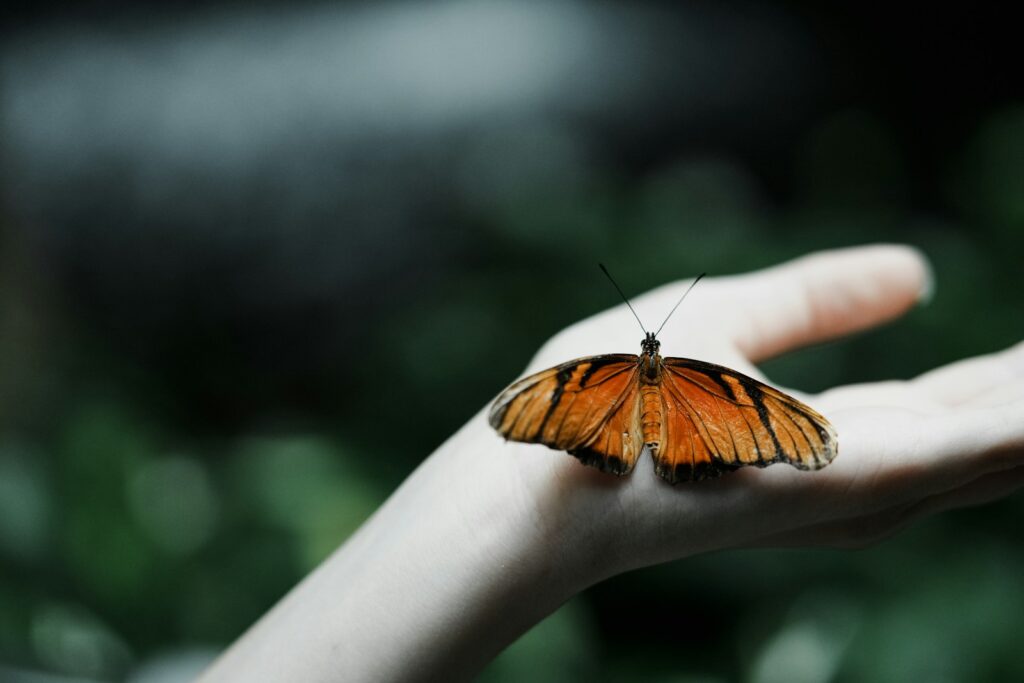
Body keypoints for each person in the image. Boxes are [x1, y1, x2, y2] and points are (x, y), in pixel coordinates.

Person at [198, 244, 1024, 682]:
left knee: (687, 423)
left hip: (621, 430)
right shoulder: (696, 387)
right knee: (710, 423)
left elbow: (547, 402)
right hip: (685, 435)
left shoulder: (597, 380)